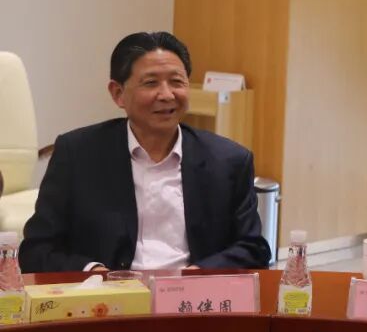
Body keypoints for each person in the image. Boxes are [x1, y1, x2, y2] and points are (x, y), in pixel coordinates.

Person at [19, 32, 271, 272]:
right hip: (108, 296)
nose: (167, 95)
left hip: (191, 296)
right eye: (151, 83)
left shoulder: (228, 161)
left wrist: (199, 274)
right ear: (118, 94)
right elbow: (37, 249)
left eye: (177, 82)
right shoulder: (77, 154)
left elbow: (253, 249)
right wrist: (93, 272)